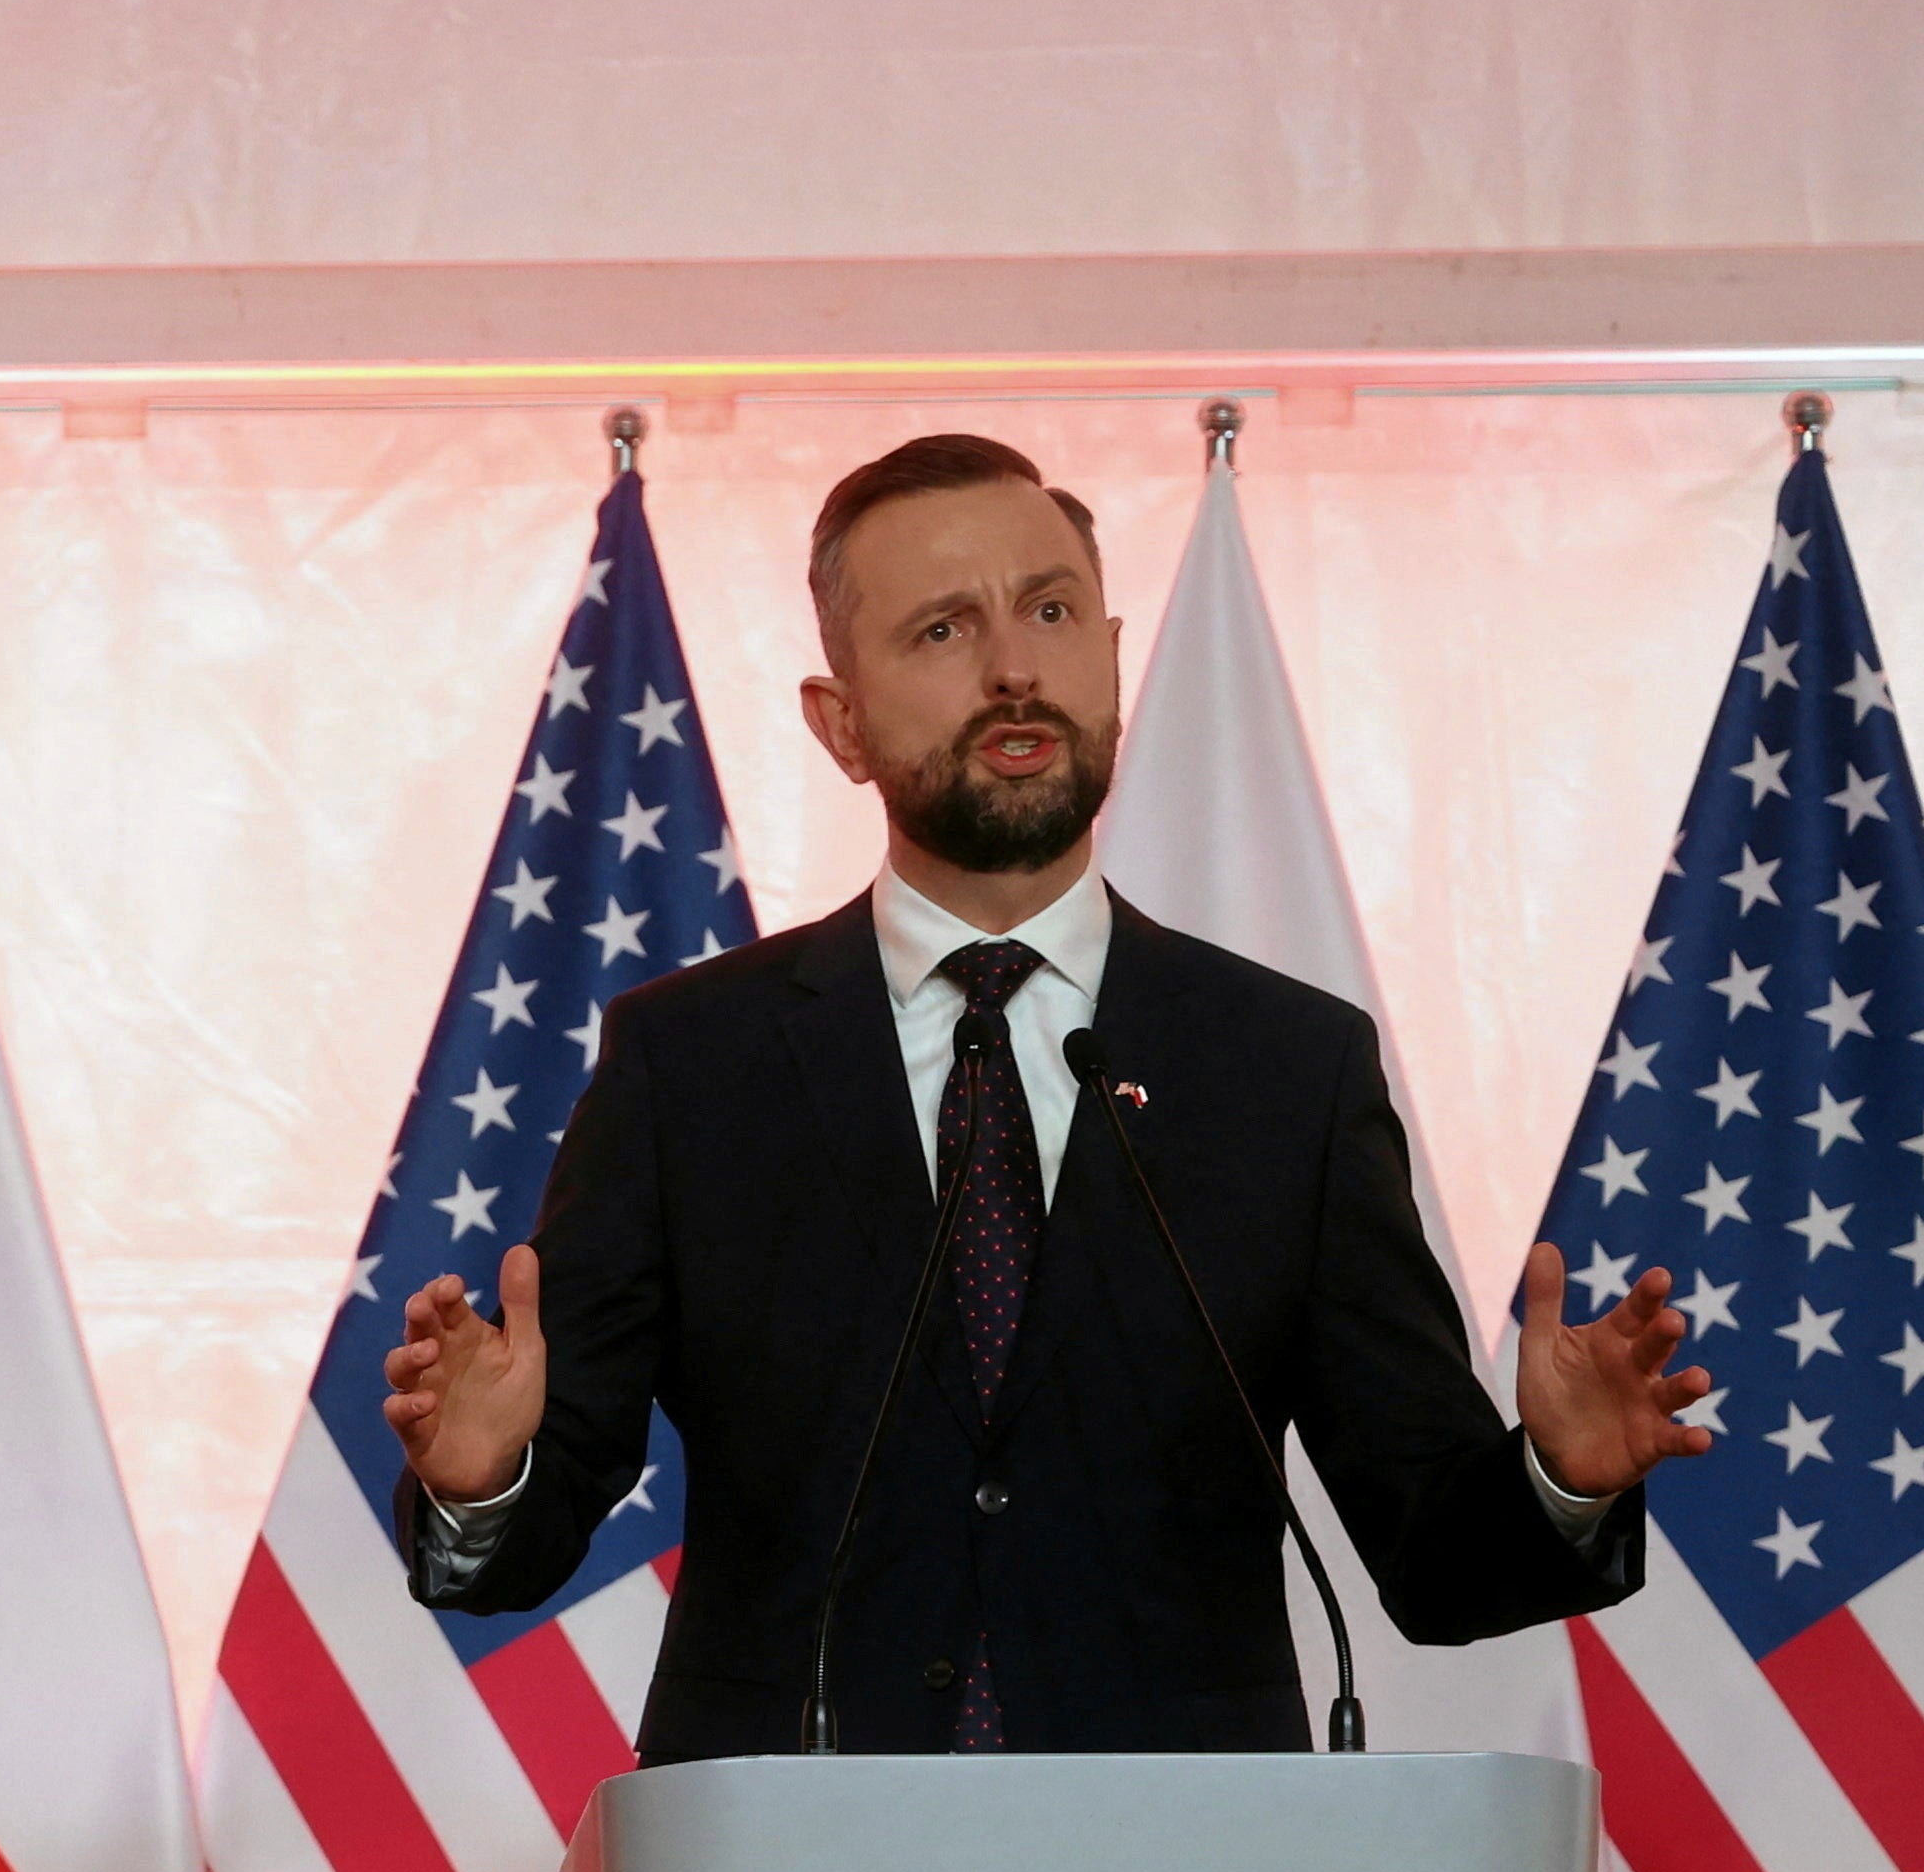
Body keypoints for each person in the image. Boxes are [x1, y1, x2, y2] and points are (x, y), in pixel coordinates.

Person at [381, 430, 1711, 1755]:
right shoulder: (694, 1067)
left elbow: (1436, 1559)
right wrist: (481, 1478)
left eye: (1053, 611)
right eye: (945, 630)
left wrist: (1560, 1480)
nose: (1017, 667)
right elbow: (522, 1543)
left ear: (1115, 662)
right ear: (840, 723)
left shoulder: (1286, 1072)